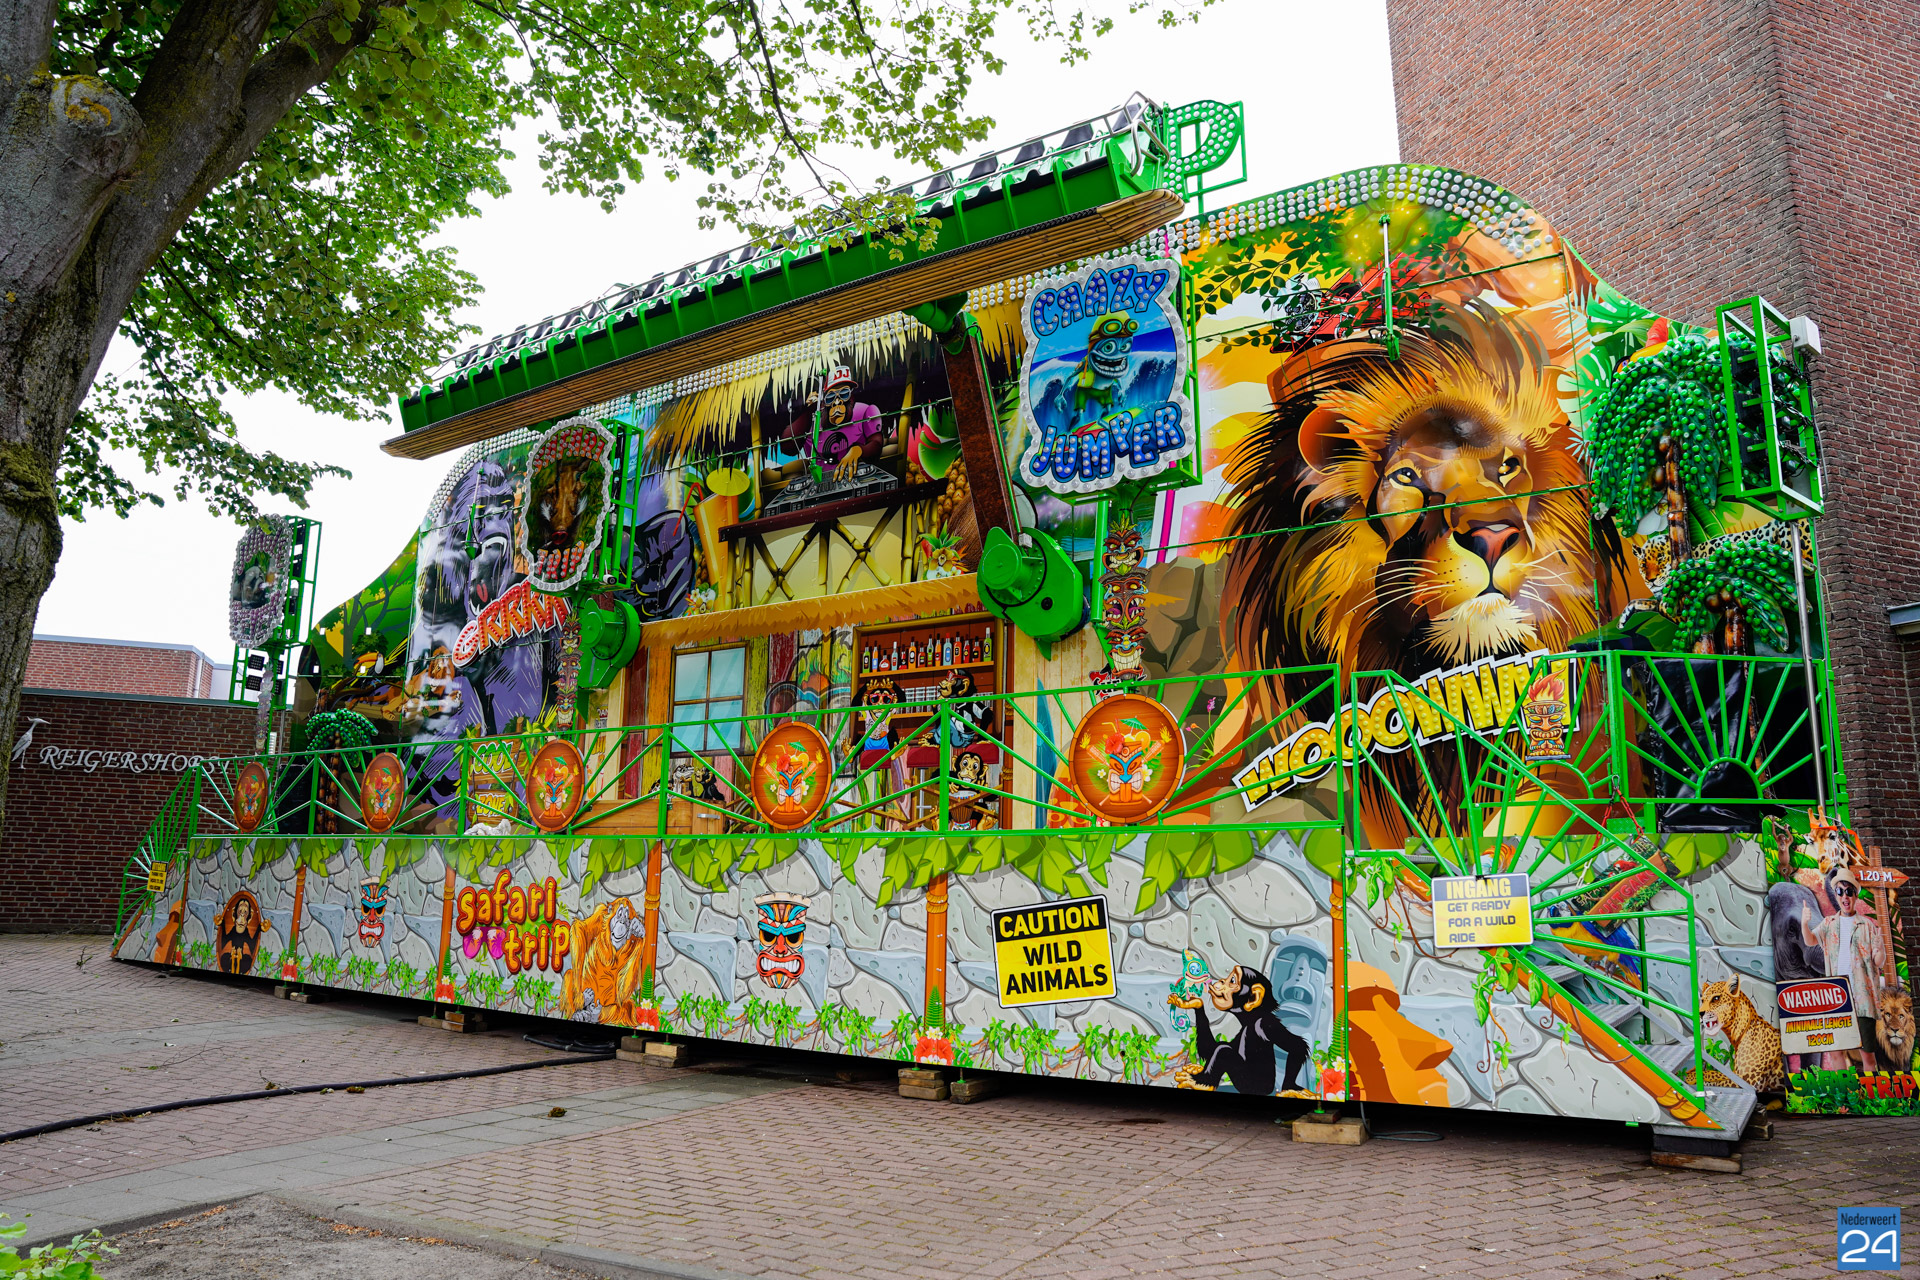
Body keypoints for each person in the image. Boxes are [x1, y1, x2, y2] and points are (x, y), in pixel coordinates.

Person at [1800, 867, 1889, 1071]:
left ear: (1855, 895)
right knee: (1836, 1052)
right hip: (1837, 998)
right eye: (1840, 891)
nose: (1844, 896)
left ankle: (1871, 1090)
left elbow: (1878, 962)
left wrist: (1881, 949)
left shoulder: (1867, 926)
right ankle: (1845, 1092)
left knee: (1868, 1056)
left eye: (1849, 891)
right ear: (1836, 895)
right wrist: (1804, 922)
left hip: (1862, 999)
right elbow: (1810, 940)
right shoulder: (1828, 923)